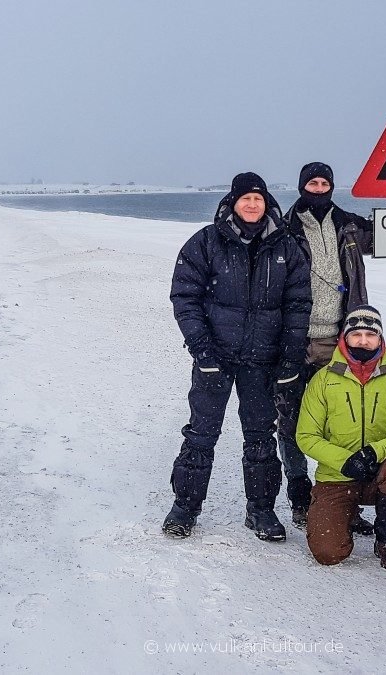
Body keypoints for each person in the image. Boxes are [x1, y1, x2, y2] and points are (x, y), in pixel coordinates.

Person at [164, 172, 311, 542]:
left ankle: (260, 510)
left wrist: (291, 360)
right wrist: (201, 350)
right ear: (233, 202)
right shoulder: (206, 243)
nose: (251, 204)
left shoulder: (285, 246)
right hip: (215, 357)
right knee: (201, 433)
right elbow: (185, 297)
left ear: (267, 204)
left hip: (262, 360)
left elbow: (298, 305)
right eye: (245, 198)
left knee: (261, 435)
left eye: (258, 199)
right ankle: (185, 507)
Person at [276, 162, 376, 531]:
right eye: (312, 183)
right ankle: (300, 496)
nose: (318, 189)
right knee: (291, 423)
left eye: (324, 183)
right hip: (293, 340)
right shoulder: (284, 229)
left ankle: (341, 498)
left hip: (341, 340)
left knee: (342, 424)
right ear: (302, 185)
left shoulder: (349, 224)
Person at [296, 306, 386, 570]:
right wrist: (345, 460)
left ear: (380, 339)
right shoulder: (323, 380)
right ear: (345, 337)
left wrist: (374, 452)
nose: (363, 341)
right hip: (337, 475)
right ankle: (347, 513)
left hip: (382, 473)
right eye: (357, 334)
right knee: (328, 553)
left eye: (370, 334)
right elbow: (306, 436)